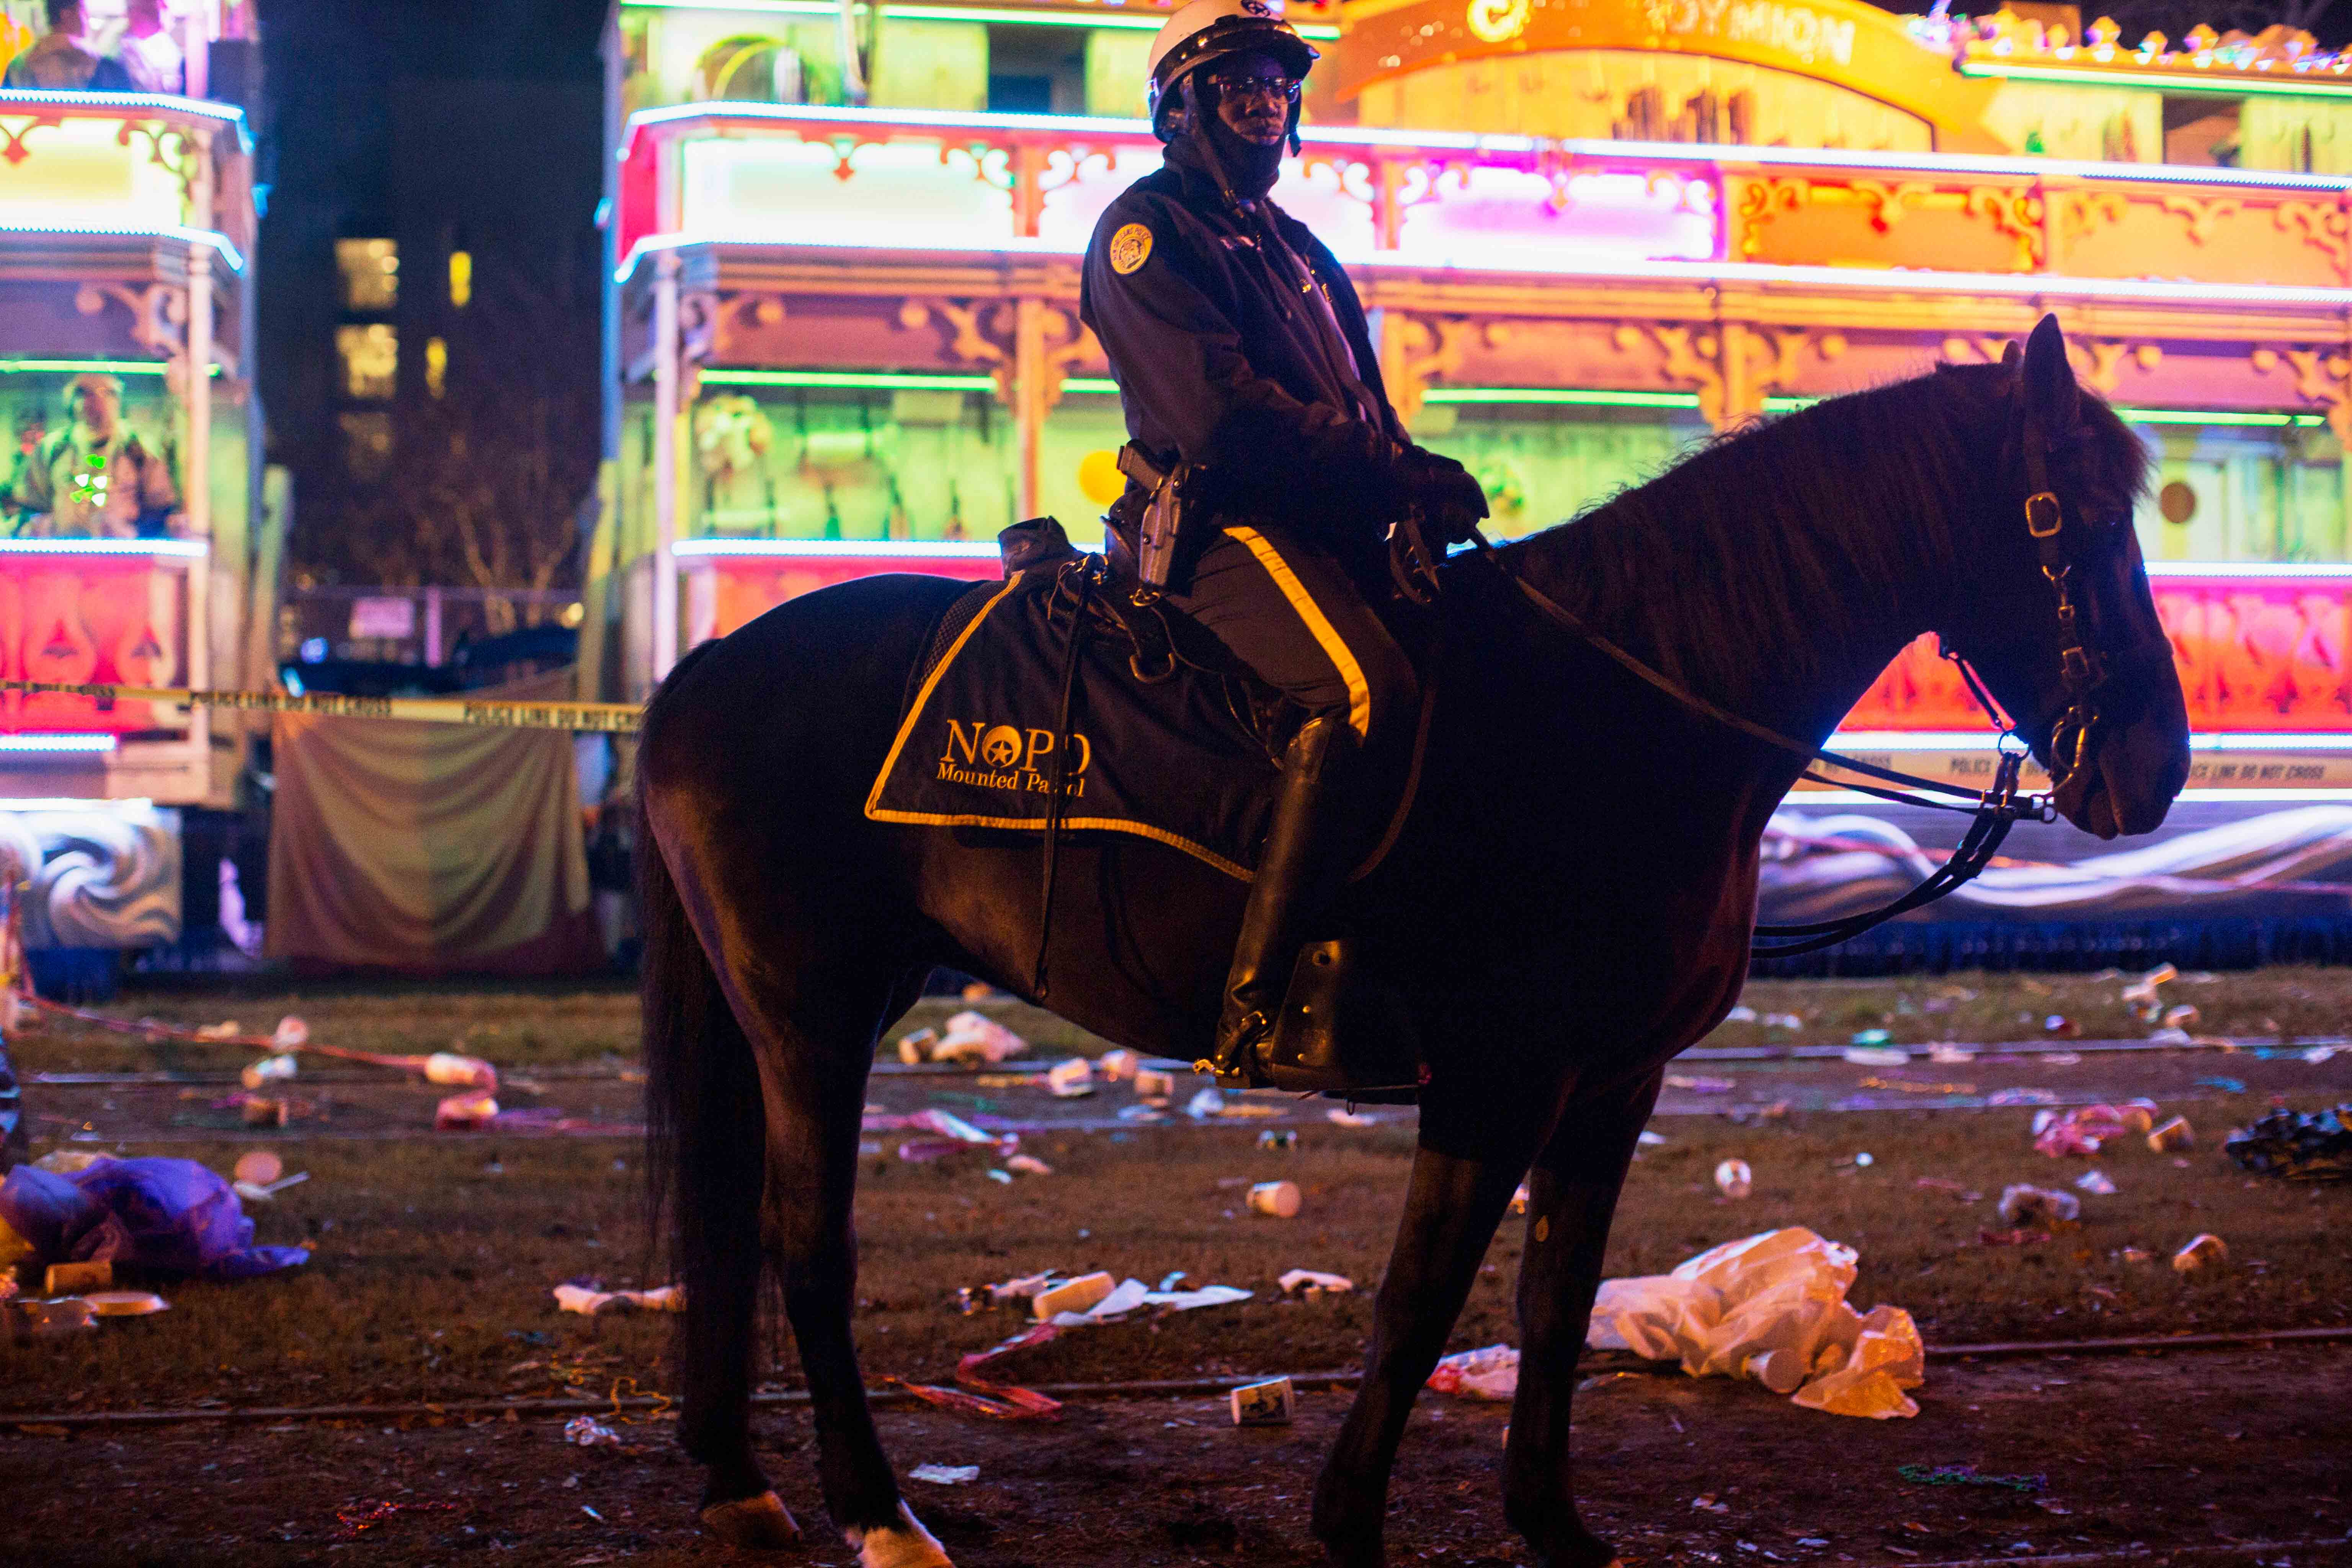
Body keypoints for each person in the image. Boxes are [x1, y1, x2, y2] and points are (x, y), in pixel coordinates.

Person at [1079, 0, 1487, 1083]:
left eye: (1276, 86)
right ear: (1180, 108)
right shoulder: (1145, 234)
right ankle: (1257, 1012)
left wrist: (1414, 482)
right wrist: (1385, 471)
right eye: (1238, 86)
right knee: (1365, 693)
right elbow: (1226, 422)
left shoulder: (1296, 248)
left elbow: (1361, 403)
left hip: (1324, 530)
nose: (1266, 104)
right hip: (1222, 528)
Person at [7, 375, 178, 538]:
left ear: (117, 400)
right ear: (71, 402)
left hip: (123, 558)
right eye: (83, 393)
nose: (94, 401)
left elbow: (160, 509)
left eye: (106, 393)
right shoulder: (52, 449)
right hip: (63, 558)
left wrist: (134, 535)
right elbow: (29, 505)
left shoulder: (140, 449)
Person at [2, 0, 136, 90]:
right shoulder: (100, 65)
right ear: (66, 15)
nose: (87, 19)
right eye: (83, 12)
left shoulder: (20, 64)